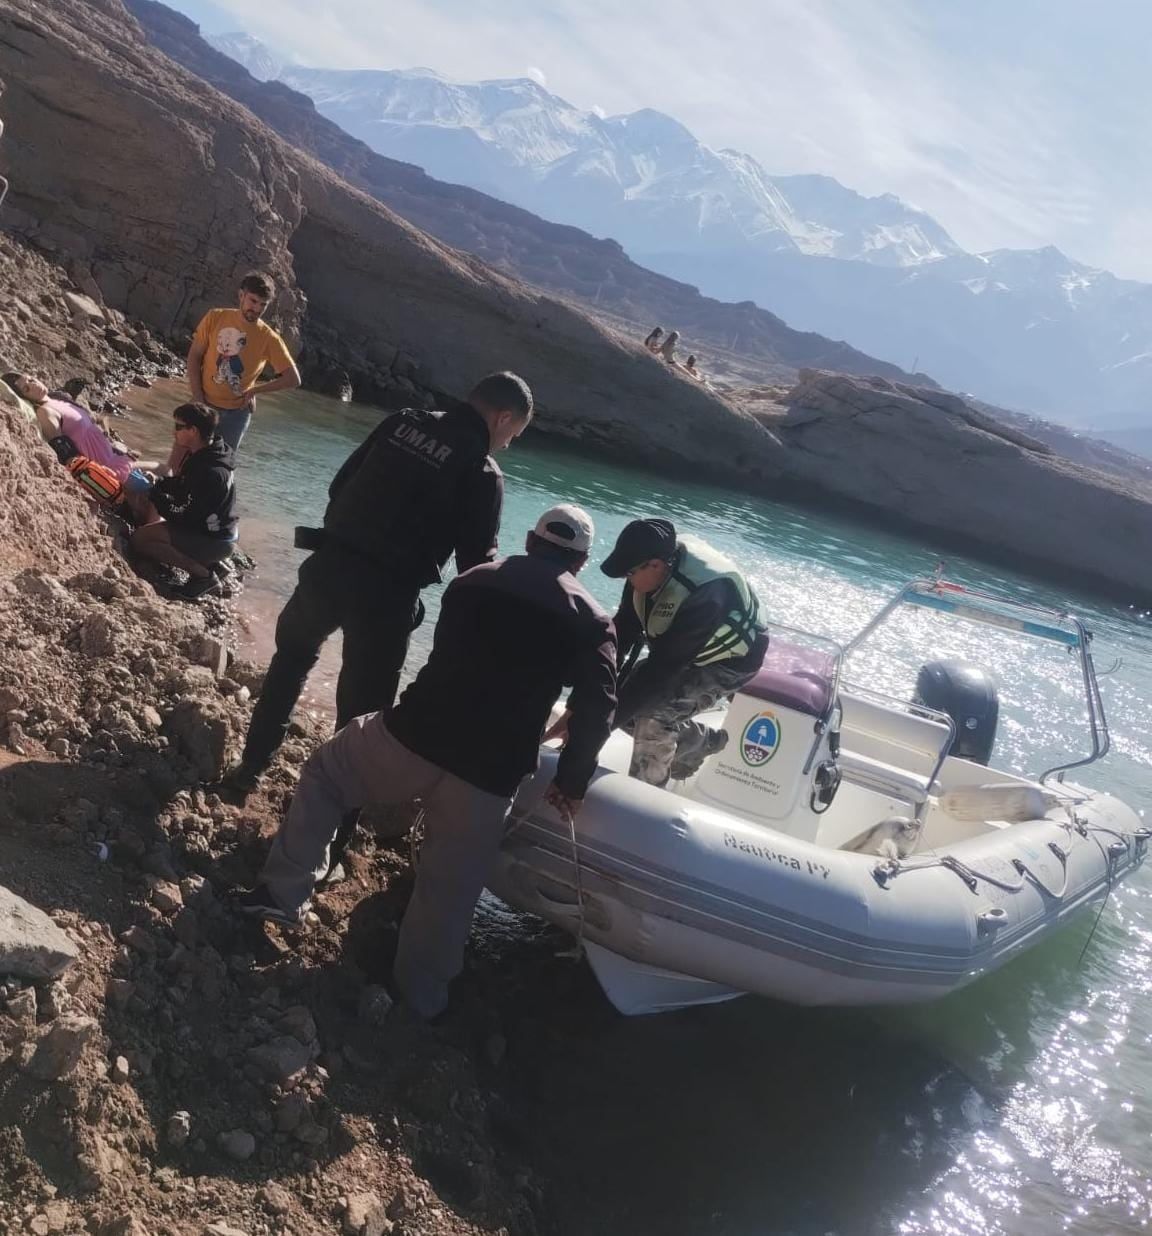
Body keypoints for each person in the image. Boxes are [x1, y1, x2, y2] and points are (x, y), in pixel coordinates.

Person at [238, 503, 618, 1022]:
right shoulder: (593, 621)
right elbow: (598, 709)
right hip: (489, 774)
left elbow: (450, 655)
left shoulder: (473, 581)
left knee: (328, 773)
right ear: (582, 561)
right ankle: (419, 1000)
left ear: (530, 541)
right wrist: (571, 780)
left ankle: (282, 895)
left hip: (413, 737)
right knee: (450, 888)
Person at [231, 371, 535, 791]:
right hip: (387, 596)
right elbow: (475, 568)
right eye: (513, 435)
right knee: (362, 715)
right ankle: (331, 828)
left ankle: (248, 772)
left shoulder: (404, 422)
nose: (507, 444)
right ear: (503, 418)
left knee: (291, 662)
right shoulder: (482, 470)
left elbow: (340, 486)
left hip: (329, 566)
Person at [595, 517, 767, 786]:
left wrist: (594, 734)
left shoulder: (707, 595)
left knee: (652, 713)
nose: (627, 580)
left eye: (629, 574)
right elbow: (623, 633)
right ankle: (699, 740)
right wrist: (594, 691)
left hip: (730, 662)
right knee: (617, 699)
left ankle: (645, 795)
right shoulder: (644, 571)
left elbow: (660, 673)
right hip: (680, 652)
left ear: (656, 564)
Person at [130, 403, 238, 600]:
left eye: (179, 427)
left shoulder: (209, 471)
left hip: (215, 539)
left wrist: (155, 494)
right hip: (220, 531)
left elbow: (184, 516)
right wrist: (161, 483)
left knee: (140, 539)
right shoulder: (213, 452)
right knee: (155, 518)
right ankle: (212, 564)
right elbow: (185, 486)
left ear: (193, 431)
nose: (174, 432)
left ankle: (203, 575)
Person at [186, 271, 301, 454]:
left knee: (222, 468)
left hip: (236, 415)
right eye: (253, 301)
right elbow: (194, 356)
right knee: (185, 459)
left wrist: (255, 390)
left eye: (263, 305)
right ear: (241, 295)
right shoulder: (215, 317)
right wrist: (197, 396)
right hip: (204, 404)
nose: (256, 309)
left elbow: (293, 379)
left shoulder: (268, 337)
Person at [3, 372, 148, 483]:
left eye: (31, 380)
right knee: (153, 497)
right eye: (27, 389)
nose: (34, 385)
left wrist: (109, 436)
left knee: (156, 477)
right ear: (26, 398)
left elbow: (96, 423)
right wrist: (101, 476)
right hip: (107, 470)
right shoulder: (45, 412)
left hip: (115, 456)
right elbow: (65, 453)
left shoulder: (59, 398)